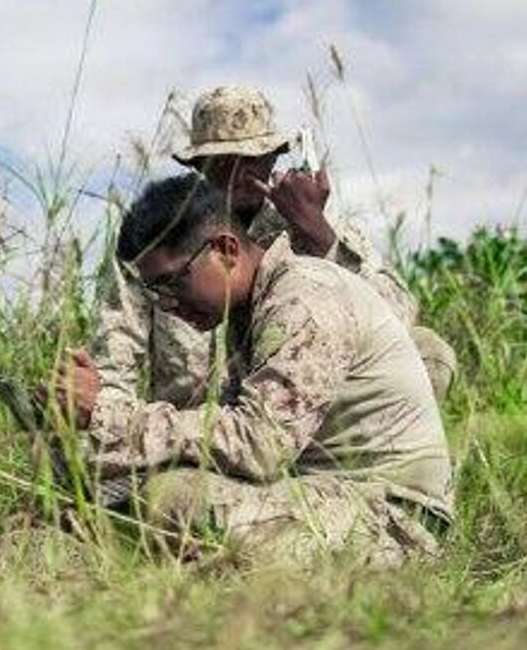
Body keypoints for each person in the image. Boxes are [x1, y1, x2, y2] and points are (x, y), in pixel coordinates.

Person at [58, 173, 454, 565]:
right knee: (164, 494)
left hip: (393, 517)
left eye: (173, 282)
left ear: (226, 250)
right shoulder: (253, 307)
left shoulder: (302, 299)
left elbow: (259, 446)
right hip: (328, 490)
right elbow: (229, 439)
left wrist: (110, 415)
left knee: (175, 498)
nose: (166, 304)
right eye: (155, 292)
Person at [68, 85, 457, 413]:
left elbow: (395, 321)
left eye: (252, 159)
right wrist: (112, 421)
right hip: (190, 432)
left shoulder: (311, 222)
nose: (239, 174)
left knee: (427, 351)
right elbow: (114, 360)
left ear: (273, 159)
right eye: (222, 163)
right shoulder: (158, 242)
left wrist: (320, 238)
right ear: (199, 167)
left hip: (297, 420)